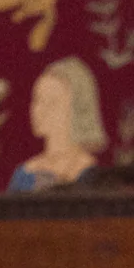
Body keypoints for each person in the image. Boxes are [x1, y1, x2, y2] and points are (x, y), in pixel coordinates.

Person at [8, 56, 107, 191]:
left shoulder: (92, 173)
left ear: (77, 109)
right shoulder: (25, 173)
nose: (39, 111)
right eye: (37, 100)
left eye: (51, 102)